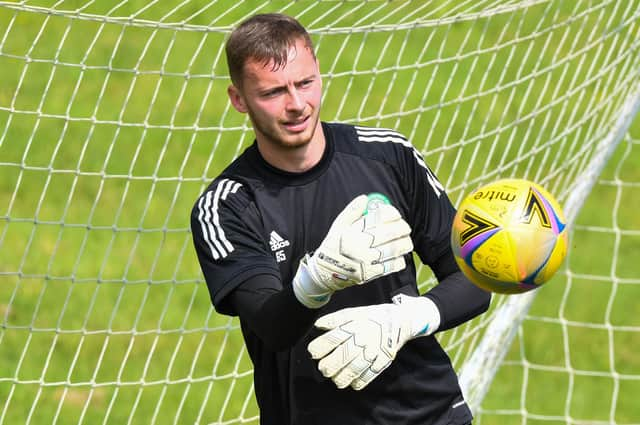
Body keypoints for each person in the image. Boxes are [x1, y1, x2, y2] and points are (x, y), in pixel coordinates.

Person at [190, 12, 491, 425]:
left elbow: (473, 277)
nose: (296, 104)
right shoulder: (227, 206)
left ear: (319, 75)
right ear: (239, 99)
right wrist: (318, 279)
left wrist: (406, 318)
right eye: (274, 92)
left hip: (429, 413)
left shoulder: (389, 155)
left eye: (305, 83)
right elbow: (271, 327)